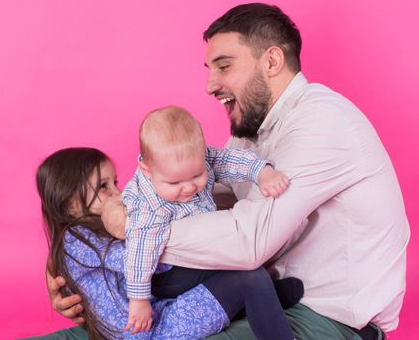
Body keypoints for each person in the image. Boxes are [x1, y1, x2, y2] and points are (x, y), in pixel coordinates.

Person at [47, 2, 410, 340]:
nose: (210, 85)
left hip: (326, 319)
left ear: (271, 62)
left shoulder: (324, 123)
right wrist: (82, 274)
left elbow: (246, 241)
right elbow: (194, 206)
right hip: (255, 296)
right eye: (210, 70)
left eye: (224, 66)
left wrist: (131, 231)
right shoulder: (249, 137)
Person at [35, 147, 301, 340]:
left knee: (233, 268)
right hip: (153, 332)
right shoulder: (76, 239)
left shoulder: (84, 236)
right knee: (247, 276)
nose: (118, 193)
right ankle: (262, 296)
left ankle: (262, 297)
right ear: (70, 204)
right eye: (104, 187)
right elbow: (139, 261)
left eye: (114, 182)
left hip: (156, 310)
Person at [115, 106, 297, 336]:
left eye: (196, 175)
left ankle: (264, 296)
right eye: (175, 183)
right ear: (148, 171)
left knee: (248, 251)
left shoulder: (201, 160)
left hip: (201, 251)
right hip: (168, 274)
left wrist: (262, 172)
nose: (189, 187)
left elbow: (229, 160)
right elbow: (139, 252)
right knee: (246, 266)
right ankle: (266, 301)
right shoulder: (148, 207)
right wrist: (139, 299)